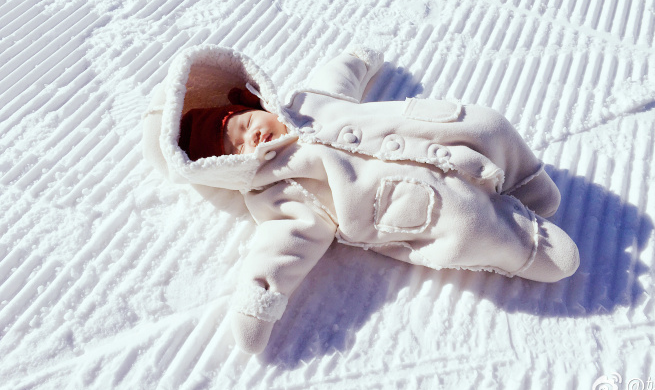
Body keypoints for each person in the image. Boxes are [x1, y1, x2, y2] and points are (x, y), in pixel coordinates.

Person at [142, 45, 579, 354]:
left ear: (252, 101)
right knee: (464, 219)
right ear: (226, 169)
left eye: (242, 124)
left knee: (487, 125)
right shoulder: (277, 192)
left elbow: (337, 79)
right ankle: (527, 244)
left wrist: (356, 61)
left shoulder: (306, 102)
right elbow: (280, 249)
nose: (250, 137)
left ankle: (527, 183)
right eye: (234, 148)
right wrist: (259, 297)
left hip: (423, 131)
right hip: (408, 201)